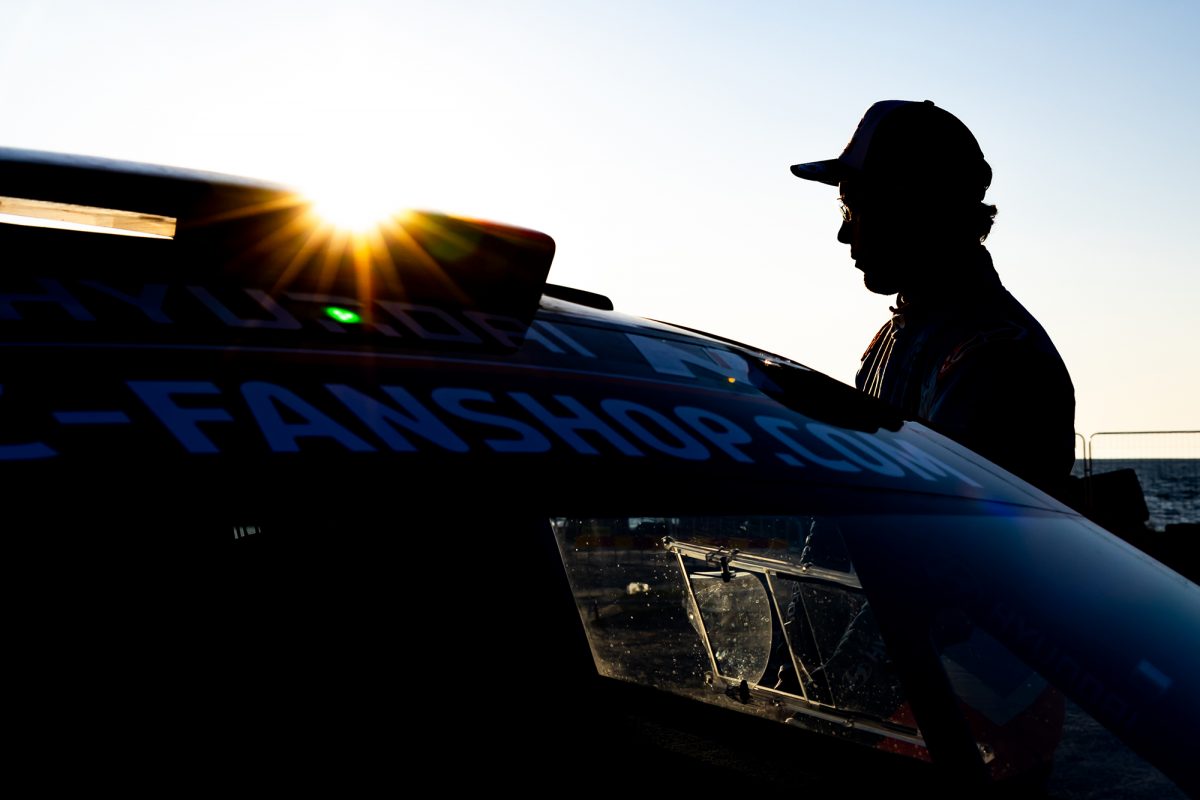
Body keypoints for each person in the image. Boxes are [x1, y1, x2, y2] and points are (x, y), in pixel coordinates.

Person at [790, 100, 1075, 498]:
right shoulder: (895, 338)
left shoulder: (997, 356)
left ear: (912, 209)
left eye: (853, 210)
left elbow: (950, 527)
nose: (843, 234)